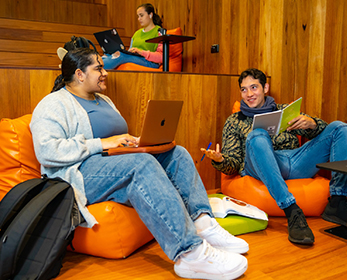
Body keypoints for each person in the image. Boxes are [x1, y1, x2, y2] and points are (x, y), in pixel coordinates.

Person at [30, 48, 249, 280]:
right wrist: (101, 143)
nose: (106, 73)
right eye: (99, 68)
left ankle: (203, 224)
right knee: (141, 165)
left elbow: (116, 136)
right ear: (80, 74)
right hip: (79, 173)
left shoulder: (103, 100)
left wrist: (136, 141)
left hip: (115, 163)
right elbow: (47, 152)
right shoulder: (53, 104)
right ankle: (190, 254)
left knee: (178, 154)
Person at [201, 68, 347, 245]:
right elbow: (233, 164)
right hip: (258, 166)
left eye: (254, 87)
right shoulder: (234, 121)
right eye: (244, 89)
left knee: (339, 127)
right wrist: (220, 160)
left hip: (295, 161)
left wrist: (312, 124)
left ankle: (338, 201)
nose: (249, 94)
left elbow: (325, 135)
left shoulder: (285, 110)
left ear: (265, 88)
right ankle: (292, 210)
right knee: (256, 136)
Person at [102, 3, 163, 70]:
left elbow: (161, 57)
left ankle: (96, 69)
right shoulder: (137, 33)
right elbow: (130, 50)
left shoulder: (159, 32)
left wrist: (141, 52)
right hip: (135, 58)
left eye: (141, 15)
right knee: (108, 55)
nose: (139, 19)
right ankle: (95, 66)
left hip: (149, 62)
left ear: (150, 15)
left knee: (121, 56)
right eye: (138, 16)